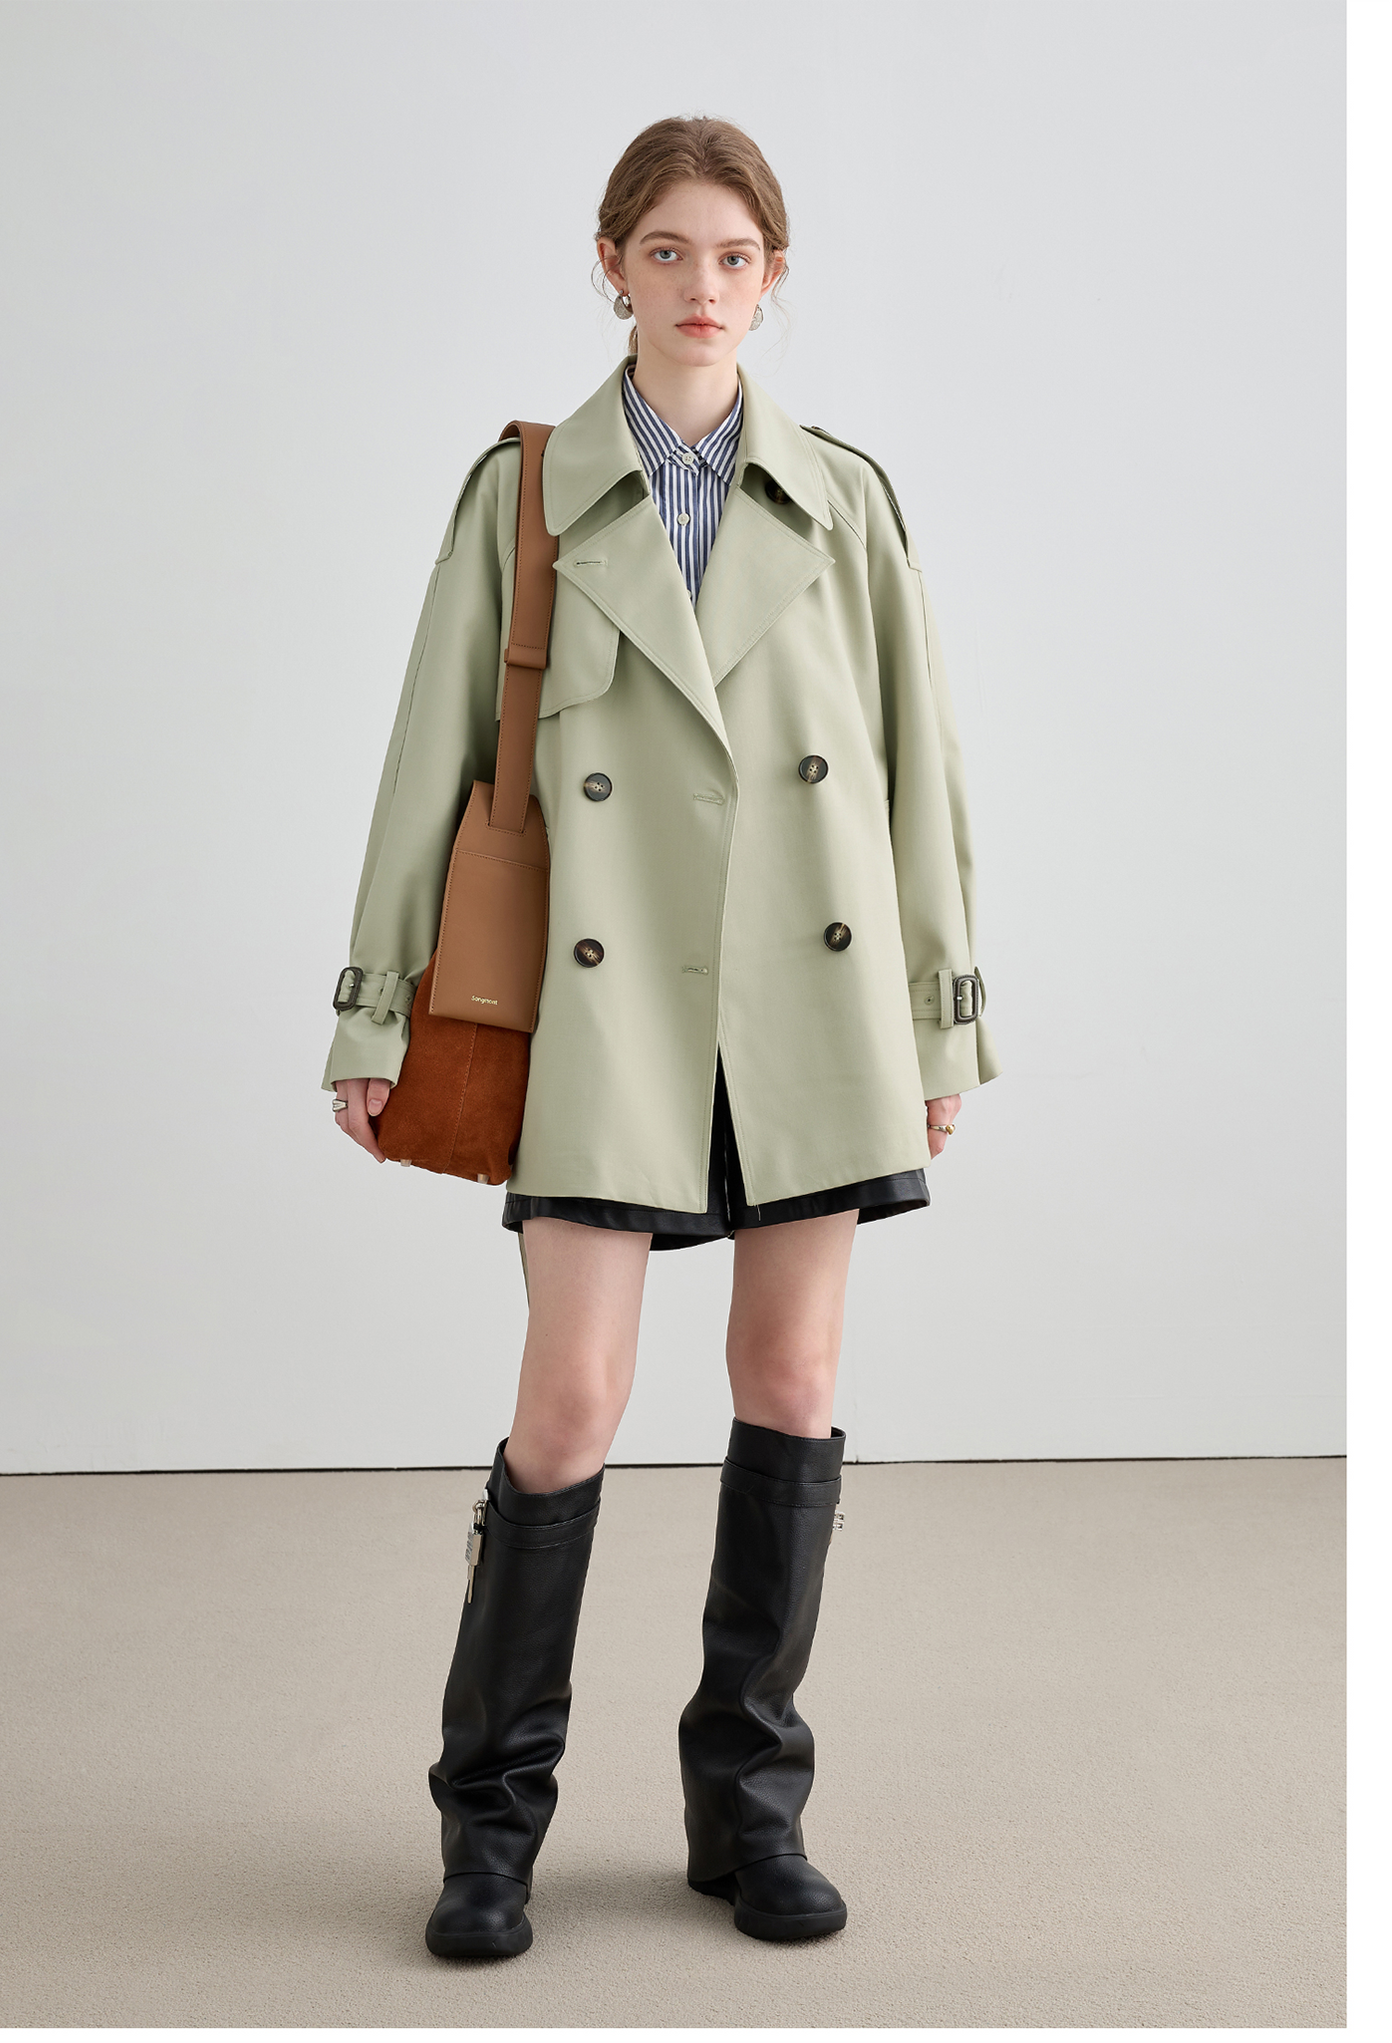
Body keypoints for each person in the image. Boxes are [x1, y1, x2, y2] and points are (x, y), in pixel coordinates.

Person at [323, 115, 1000, 1960]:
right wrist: (375, 1000)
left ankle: (749, 1809)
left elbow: (918, 768)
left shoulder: (844, 496)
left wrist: (941, 1016)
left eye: (735, 256)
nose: (704, 287)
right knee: (573, 1399)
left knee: (790, 1378)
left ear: (775, 279)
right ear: (611, 265)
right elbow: (433, 752)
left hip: (809, 1001)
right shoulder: (526, 492)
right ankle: (490, 1827)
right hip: (604, 1008)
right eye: (668, 251)